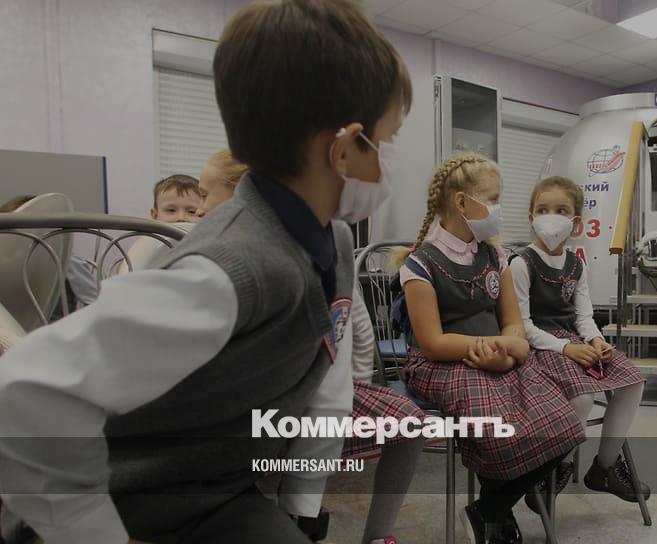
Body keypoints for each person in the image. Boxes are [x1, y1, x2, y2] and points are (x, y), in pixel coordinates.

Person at [0, 1, 411, 543]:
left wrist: (301, 502)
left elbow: (325, 380)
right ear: (342, 150)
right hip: (130, 503)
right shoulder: (231, 268)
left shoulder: (329, 242)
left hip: (218, 491)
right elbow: (27, 389)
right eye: (386, 141)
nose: (390, 161)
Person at [198, 147, 424, 544]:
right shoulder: (208, 255)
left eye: (204, 195)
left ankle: (368, 533)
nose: (199, 210)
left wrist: (356, 383)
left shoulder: (326, 243)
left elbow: (347, 327)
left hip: (317, 392)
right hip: (247, 407)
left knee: (403, 420)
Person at [399, 153, 585, 544]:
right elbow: (432, 342)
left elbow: (514, 323)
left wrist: (510, 352)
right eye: (493, 199)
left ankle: (489, 510)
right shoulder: (420, 263)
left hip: (500, 357)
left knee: (564, 424)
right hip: (444, 364)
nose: (499, 209)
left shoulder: (495, 255)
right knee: (499, 429)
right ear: (461, 202)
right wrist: (498, 347)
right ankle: (496, 515)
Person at [510, 176, 648, 508]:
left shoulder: (576, 264)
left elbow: (584, 315)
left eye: (561, 210)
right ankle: (553, 470)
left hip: (574, 342)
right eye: (543, 209)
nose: (550, 217)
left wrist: (597, 340)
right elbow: (522, 326)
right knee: (582, 398)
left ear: (575, 223)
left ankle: (605, 468)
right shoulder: (521, 264)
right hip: (540, 348)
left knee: (633, 382)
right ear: (531, 217)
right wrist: (567, 348)